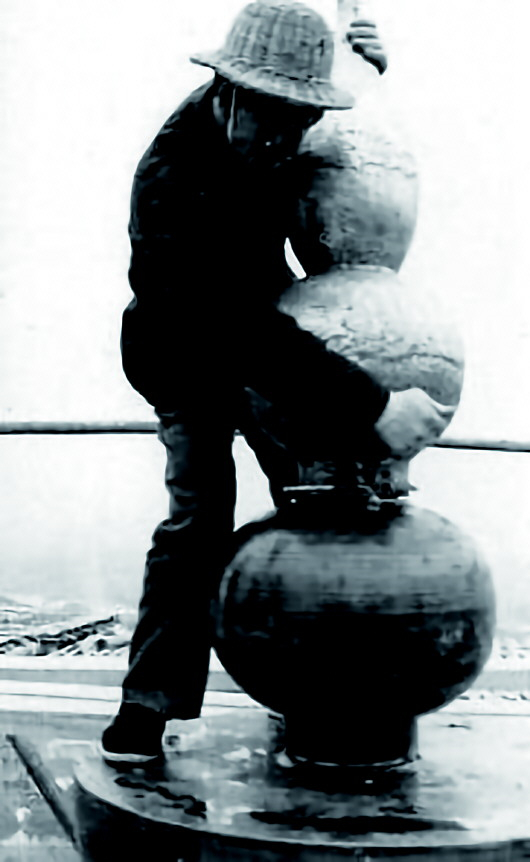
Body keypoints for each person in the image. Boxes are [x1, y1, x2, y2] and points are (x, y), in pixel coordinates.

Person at [101, 0, 452, 764]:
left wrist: (369, 72)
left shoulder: (282, 123)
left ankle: (320, 693)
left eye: (300, 119)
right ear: (226, 92)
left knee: (318, 496)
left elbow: (358, 141)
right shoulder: (169, 179)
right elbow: (223, 320)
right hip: (187, 344)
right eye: (270, 116)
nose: (282, 140)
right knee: (199, 520)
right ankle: (147, 704)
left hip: (270, 330)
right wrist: (371, 403)